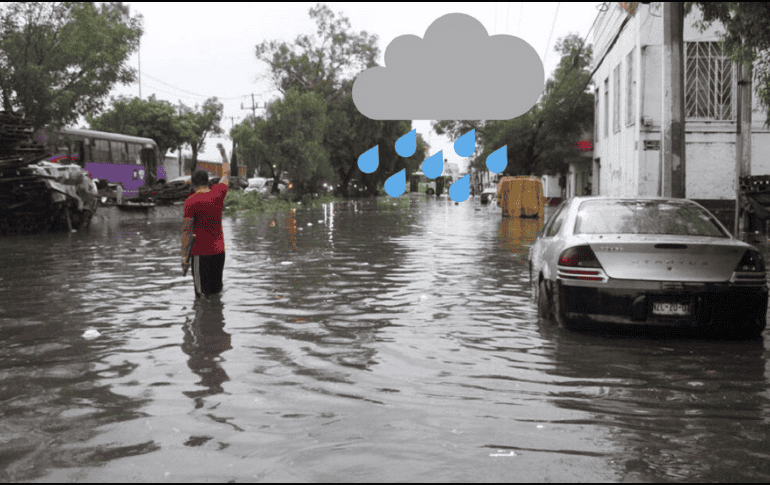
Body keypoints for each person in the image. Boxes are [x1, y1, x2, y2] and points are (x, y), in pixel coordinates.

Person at [182, 162, 230, 299]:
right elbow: (226, 173)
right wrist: (224, 154)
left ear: (192, 184)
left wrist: (184, 258)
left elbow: (187, 231)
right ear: (208, 182)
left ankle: (204, 320)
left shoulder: (190, 202)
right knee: (216, 293)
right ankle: (217, 318)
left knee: (201, 297)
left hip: (200, 255)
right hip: (219, 253)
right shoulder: (218, 193)